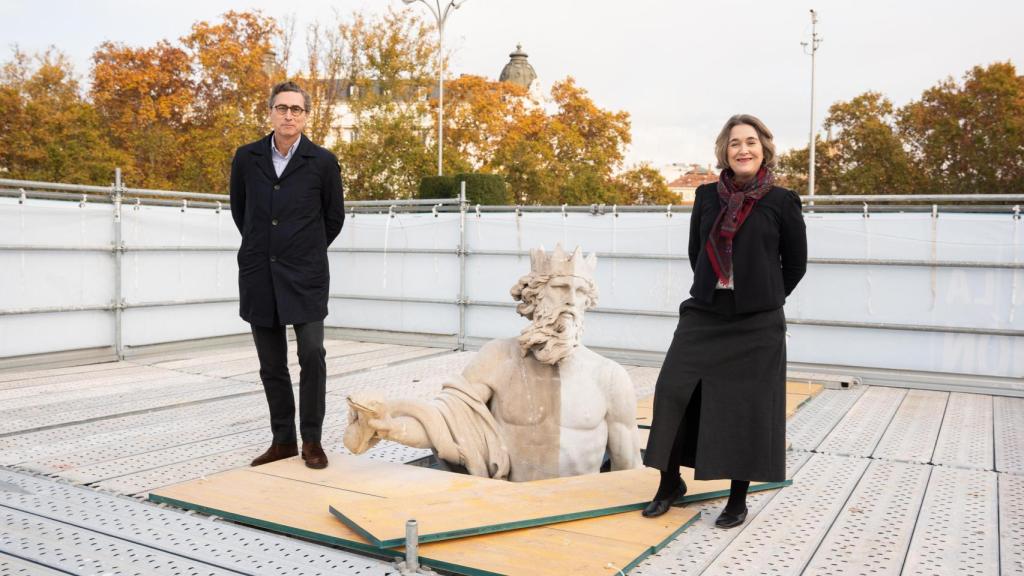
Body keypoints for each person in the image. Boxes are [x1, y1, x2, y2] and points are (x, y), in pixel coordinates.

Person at [343, 245, 642, 481]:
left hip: (579, 512)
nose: (571, 301)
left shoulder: (609, 377)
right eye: (561, 288)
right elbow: (447, 425)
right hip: (508, 506)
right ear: (535, 296)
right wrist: (390, 426)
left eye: (580, 293)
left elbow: (627, 467)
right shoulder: (498, 357)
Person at [641, 114, 807, 527]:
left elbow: (795, 264)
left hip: (757, 322)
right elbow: (697, 252)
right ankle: (669, 483)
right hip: (706, 311)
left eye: (751, 142)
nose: (743, 149)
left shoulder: (782, 201)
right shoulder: (706, 197)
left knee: (745, 408)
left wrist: (764, 296)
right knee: (672, 390)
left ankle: (737, 498)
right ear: (725, 151)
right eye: (735, 143)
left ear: (764, 148)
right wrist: (718, 289)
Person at [229, 81, 345, 469]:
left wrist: (303, 249)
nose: (289, 115)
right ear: (271, 112)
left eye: (296, 109)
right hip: (260, 273)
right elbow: (240, 212)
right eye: (282, 108)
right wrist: (266, 249)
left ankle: (311, 440)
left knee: (312, 354)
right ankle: (283, 441)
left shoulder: (322, 162)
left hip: (306, 274)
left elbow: (333, 218)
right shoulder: (246, 158)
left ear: (306, 115)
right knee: (271, 363)